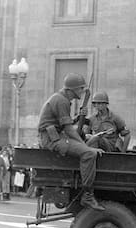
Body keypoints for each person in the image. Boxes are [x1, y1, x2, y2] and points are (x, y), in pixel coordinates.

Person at [37, 73, 104, 211]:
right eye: (80, 88)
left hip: (55, 136)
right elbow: (68, 129)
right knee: (89, 154)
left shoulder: (61, 99)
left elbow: (64, 122)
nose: (82, 91)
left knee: (87, 150)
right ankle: (88, 196)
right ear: (71, 90)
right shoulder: (61, 101)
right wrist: (85, 147)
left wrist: (78, 117)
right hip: (53, 139)